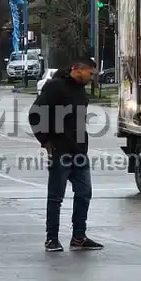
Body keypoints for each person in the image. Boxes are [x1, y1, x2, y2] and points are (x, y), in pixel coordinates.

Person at [29, 57, 103, 252]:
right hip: (60, 150)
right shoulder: (55, 87)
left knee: (84, 193)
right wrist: (45, 140)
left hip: (79, 151)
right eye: (90, 73)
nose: (91, 77)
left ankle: (79, 236)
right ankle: (51, 238)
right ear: (77, 69)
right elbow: (35, 114)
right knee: (56, 197)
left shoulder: (79, 89)